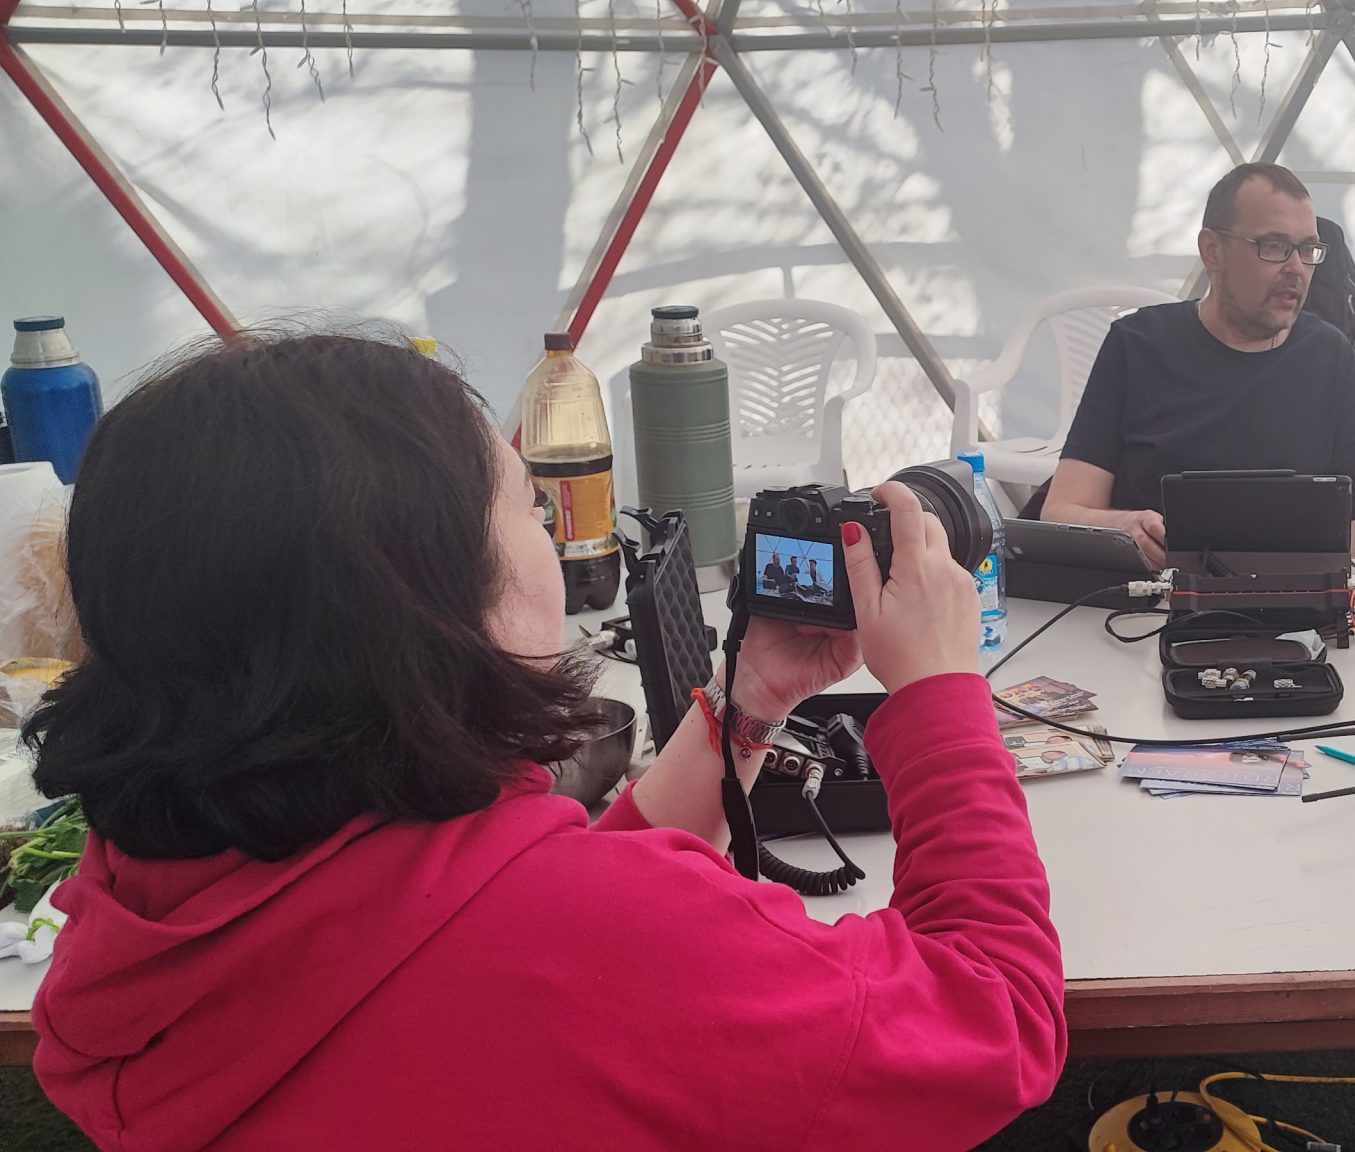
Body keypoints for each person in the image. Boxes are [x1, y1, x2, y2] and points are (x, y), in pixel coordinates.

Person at [24, 332, 1065, 1149]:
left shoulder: (140, 903)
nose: (558, 541)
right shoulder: (597, 947)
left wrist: (746, 706)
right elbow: (994, 1020)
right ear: (427, 593)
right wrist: (940, 694)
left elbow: (489, 925)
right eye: (529, 508)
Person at [1041, 162, 1355, 567]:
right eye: (1274, 247)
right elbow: (1061, 511)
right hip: (1149, 592)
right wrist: (1124, 528)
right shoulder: (1136, 344)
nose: (1296, 269)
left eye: (1308, 250)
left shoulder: (1332, 358)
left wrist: (1288, 579)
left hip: (1288, 598)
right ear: (1212, 251)